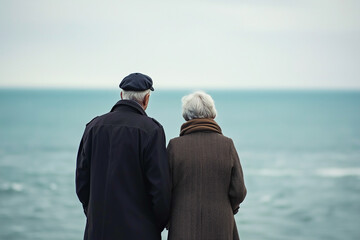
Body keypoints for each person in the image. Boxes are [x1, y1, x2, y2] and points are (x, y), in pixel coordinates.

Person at [76, 73, 171, 240]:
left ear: (122, 95)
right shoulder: (151, 130)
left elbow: (82, 182)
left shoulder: (93, 127)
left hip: (98, 230)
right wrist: (155, 225)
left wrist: (93, 215)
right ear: (146, 99)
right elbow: (159, 188)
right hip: (140, 231)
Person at [166, 91, 247, 240]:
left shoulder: (174, 146)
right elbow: (239, 191)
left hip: (182, 225)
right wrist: (229, 208)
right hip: (221, 225)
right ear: (213, 115)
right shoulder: (227, 145)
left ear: (186, 117)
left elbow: (165, 191)